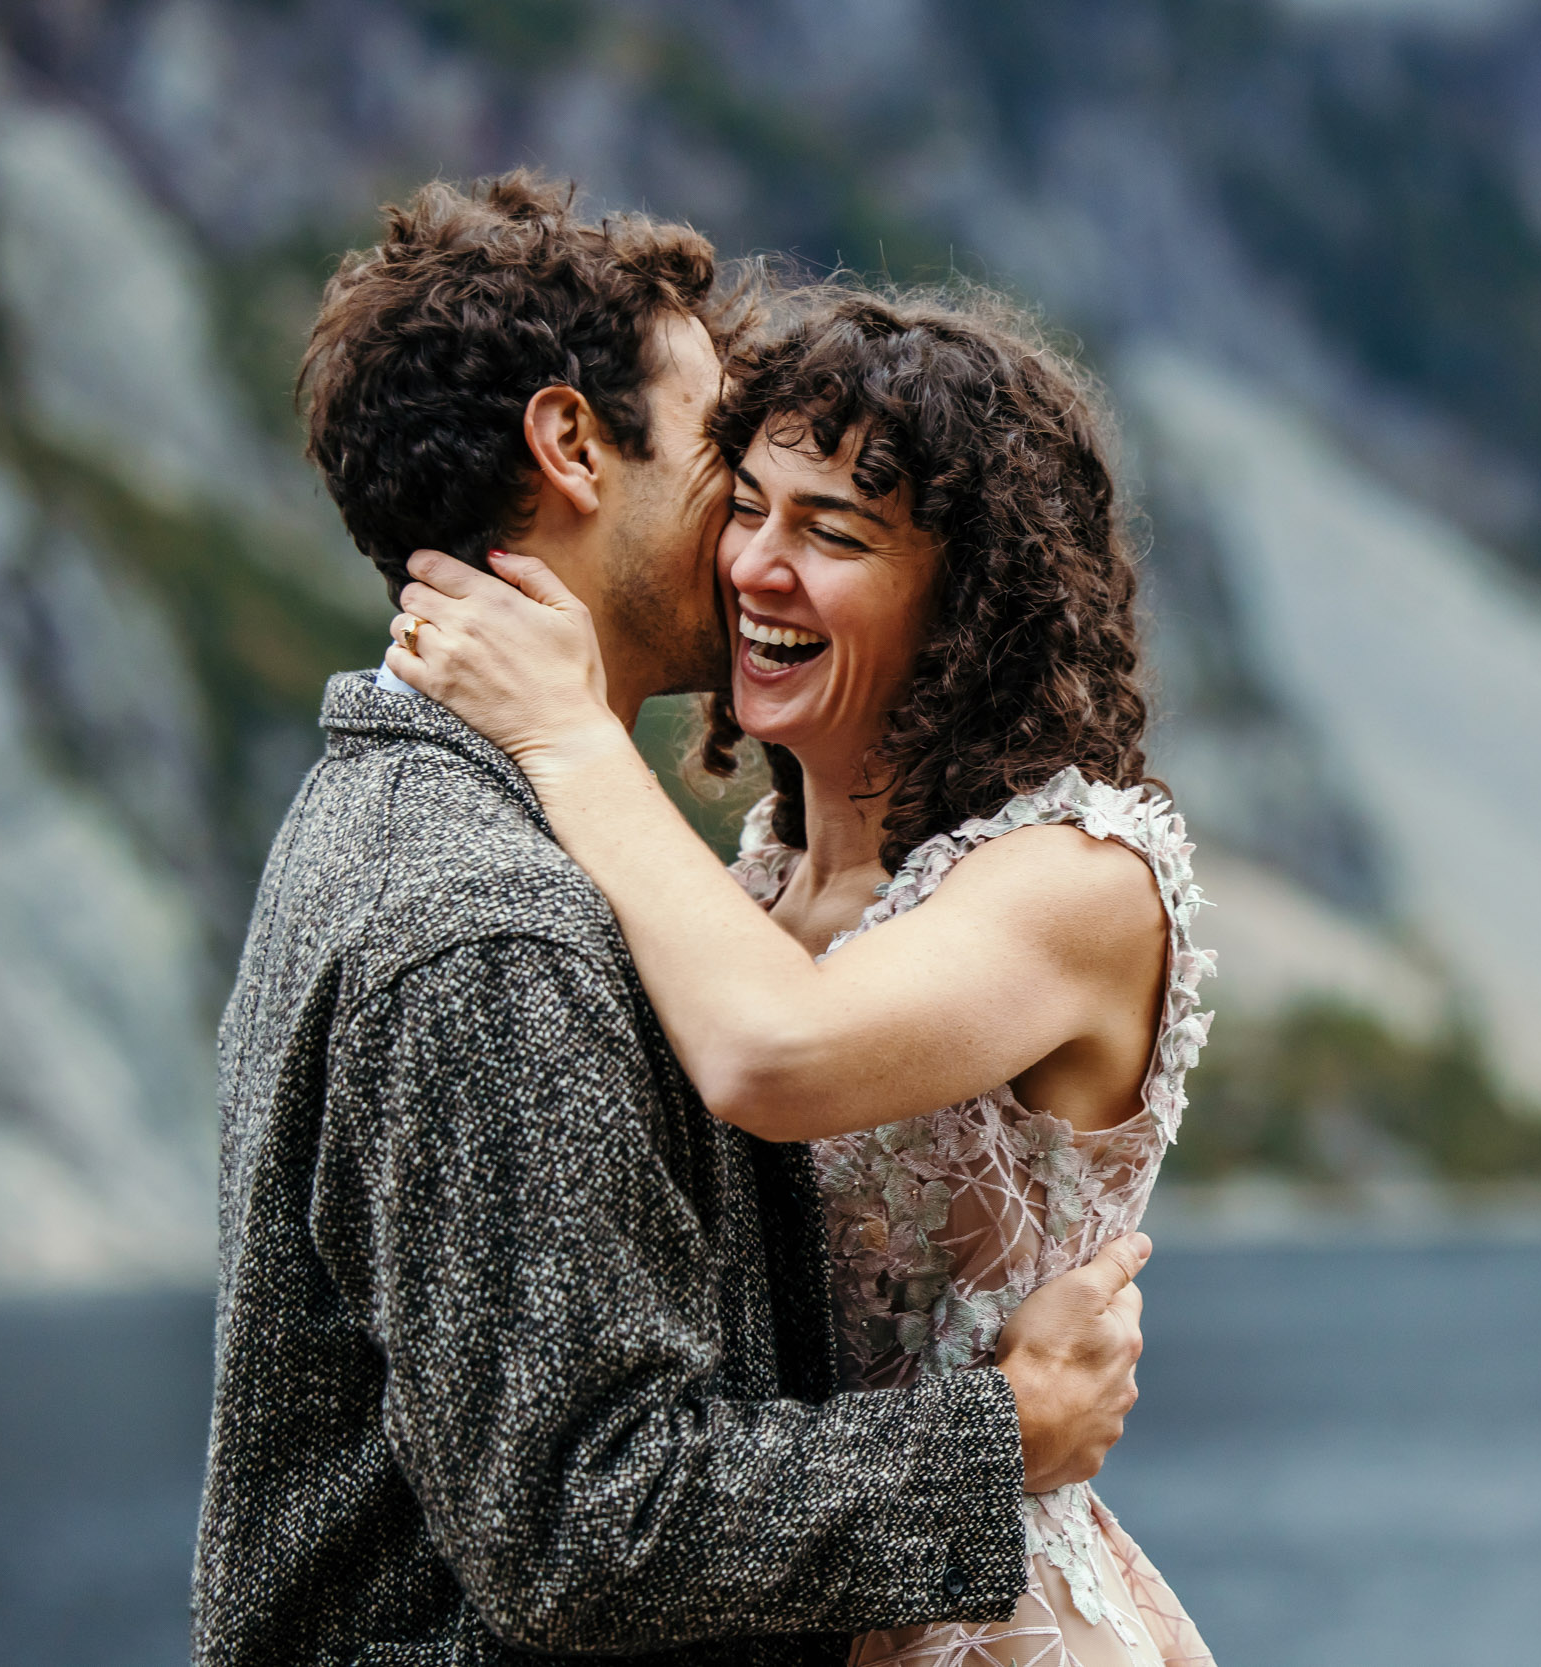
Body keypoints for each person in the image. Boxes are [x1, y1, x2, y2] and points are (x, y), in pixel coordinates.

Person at [194, 174, 1153, 1667]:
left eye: (826, 524)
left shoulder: (406, 820)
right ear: (574, 444)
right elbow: (586, 1525)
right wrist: (998, 1439)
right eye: (725, 454)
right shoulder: (492, 924)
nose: (746, 548)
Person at [391, 285, 1217, 1666]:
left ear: (970, 605)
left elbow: (774, 1058)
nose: (757, 570)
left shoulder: (1085, 877)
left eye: (832, 534)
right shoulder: (751, 885)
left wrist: (566, 730)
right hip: (788, 1610)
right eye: (748, 508)